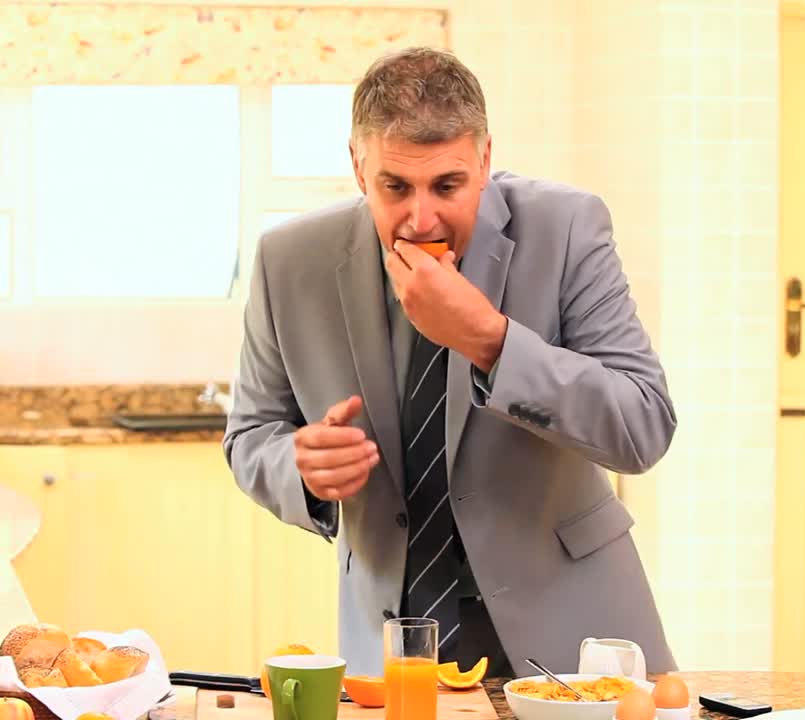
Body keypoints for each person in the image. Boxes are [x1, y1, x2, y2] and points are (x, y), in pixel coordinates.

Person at [223, 47, 676, 677]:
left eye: (447, 185)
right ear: (358, 167)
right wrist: (298, 466)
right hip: (392, 645)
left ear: (484, 159)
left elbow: (644, 426)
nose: (421, 217)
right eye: (395, 187)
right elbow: (249, 435)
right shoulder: (288, 260)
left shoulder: (567, 227)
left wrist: (490, 341)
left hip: (574, 633)